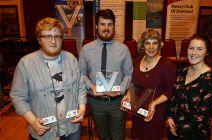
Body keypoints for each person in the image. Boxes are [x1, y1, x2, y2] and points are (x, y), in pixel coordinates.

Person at [10, 17, 87, 140]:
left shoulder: (71, 59)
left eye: (57, 36)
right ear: (39, 39)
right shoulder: (26, 63)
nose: (53, 41)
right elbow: (18, 96)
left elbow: (81, 87)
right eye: (47, 36)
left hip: (72, 128)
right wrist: (32, 120)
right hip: (45, 132)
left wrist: (82, 108)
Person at [79, 9, 133, 140]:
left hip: (117, 102)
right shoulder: (86, 49)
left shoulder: (123, 49)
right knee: (103, 136)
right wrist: (91, 86)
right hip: (96, 102)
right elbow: (81, 74)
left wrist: (121, 90)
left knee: (118, 136)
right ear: (97, 26)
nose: (106, 28)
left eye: (110, 24)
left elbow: (128, 74)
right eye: (103, 24)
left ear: (114, 26)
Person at [122, 29, 176, 140]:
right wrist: (128, 95)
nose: (151, 47)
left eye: (154, 43)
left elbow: (170, 90)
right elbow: (134, 83)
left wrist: (153, 104)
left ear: (160, 45)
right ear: (142, 45)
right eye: (147, 43)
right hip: (138, 110)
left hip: (154, 113)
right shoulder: (138, 60)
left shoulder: (166, 65)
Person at [165, 34, 212, 140]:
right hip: (173, 129)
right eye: (191, 48)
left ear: (207, 52)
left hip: (195, 134)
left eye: (199, 49)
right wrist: (169, 117)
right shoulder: (182, 71)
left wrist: (179, 129)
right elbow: (172, 97)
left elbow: (203, 116)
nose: (194, 53)